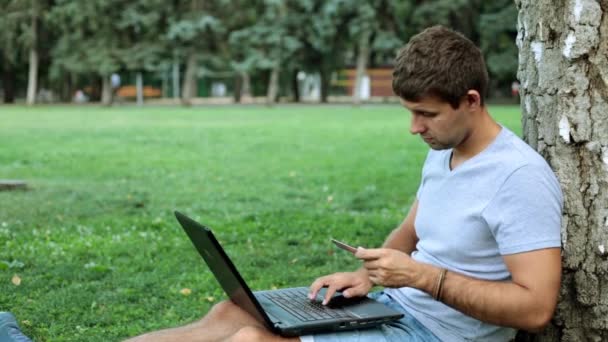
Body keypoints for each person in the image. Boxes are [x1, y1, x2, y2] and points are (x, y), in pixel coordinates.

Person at [127, 25, 562, 341]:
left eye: (426, 114)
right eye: (409, 112)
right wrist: (365, 276)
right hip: (393, 309)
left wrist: (423, 277)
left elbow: (536, 308)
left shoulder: (518, 177)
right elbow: (409, 233)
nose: (414, 128)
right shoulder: (445, 150)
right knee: (229, 313)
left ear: (471, 101)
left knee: (251, 341)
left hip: (440, 333)